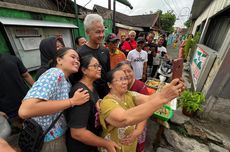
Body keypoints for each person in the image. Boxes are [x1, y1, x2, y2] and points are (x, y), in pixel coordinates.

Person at [18, 47, 90, 152]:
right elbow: (25, 110)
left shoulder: (65, 79)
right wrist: (72, 101)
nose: (77, 61)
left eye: (78, 59)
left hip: (54, 137)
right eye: (73, 57)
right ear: (59, 60)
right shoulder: (55, 74)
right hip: (48, 141)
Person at [99, 68, 184, 152]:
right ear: (109, 84)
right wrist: (163, 97)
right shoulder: (106, 103)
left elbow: (149, 100)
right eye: (120, 79)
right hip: (114, 147)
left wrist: (168, 89)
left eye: (125, 78)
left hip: (129, 146)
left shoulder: (129, 94)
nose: (125, 82)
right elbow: (124, 118)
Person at [66, 55, 119, 152]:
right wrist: (106, 143)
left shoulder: (92, 86)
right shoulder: (81, 93)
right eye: (95, 66)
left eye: (99, 66)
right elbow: (77, 133)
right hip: (81, 147)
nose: (99, 69)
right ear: (84, 70)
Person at [115, 61, 155, 152]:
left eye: (129, 71)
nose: (127, 74)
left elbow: (146, 110)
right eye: (123, 72)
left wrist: (137, 131)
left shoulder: (140, 87)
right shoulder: (117, 86)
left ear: (133, 72)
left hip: (138, 124)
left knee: (136, 146)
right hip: (124, 123)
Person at [77, 14, 110, 99]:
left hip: (106, 94)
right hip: (89, 97)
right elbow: (76, 79)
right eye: (98, 32)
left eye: (103, 31)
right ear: (88, 32)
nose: (102, 35)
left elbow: (107, 72)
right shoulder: (79, 53)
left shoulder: (105, 50)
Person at [0, 54, 34, 130]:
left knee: (36, 127)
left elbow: (26, 75)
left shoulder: (12, 58)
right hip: (9, 111)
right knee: (26, 132)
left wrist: (37, 89)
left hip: (26, 101)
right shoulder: (11, 58)